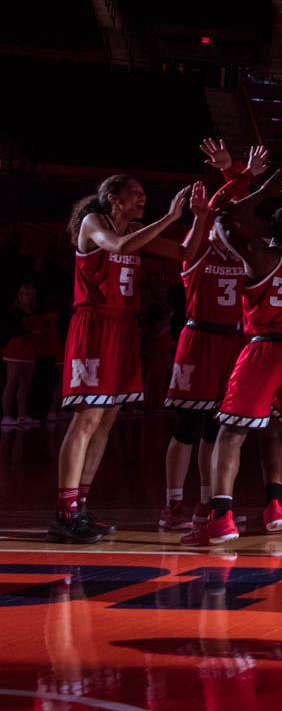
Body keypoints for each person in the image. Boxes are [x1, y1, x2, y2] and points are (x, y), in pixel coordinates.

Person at [183, 169, 282, 545]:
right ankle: (275, 509)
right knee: (275, 431)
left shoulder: (259, 256)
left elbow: (223, 219)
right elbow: (274, 229)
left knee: (230, 432)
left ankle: (221, 518)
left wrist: (260, 191)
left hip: (267, 348)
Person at [51, 176, 189, 544]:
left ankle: (79, 507)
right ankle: (64, 514)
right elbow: (117, 245)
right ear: (113, 197)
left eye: (145, 194)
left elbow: (184, 254)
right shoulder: (94, 223)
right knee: (86, 418)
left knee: (108, 418)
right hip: (94, 324)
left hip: (124, 327)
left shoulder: (139, 229)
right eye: (136, 193)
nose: (143, 198)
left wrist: (205, 215)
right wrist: (171, 218)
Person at [160, 140, 264, 531]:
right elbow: (219, 204)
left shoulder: (243, 251)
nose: (235, 221)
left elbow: (238, 205)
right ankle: (172, 505)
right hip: (198, 339)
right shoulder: (198, 243)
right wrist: (238, 173)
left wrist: (237, 175)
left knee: (215, 428)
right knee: (187, 426)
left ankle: (207, 502)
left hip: (232, 342)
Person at [2, 282, 38, 427]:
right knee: (12, 382)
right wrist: (29, 332)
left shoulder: (33, 311)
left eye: (32, 295)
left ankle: (22, 415)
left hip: (29, 349)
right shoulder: (15, 311)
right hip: (16, 348)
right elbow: (11, 330)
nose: (29, 297)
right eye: (26, 294)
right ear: (20, 295)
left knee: (25, 384)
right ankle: (6, 416)